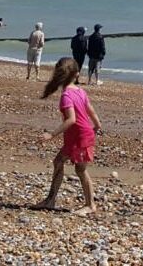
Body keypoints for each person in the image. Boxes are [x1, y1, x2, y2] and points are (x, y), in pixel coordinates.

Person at [34, 57, 102, 215]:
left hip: (80, 136)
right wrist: (97, 124)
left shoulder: (66, 96)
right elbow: (90, 110)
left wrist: (51, 134)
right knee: (58, 161)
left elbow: (72, 119)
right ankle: (50, 200)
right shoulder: (80, 91)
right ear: (76, 75)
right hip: (77, 136)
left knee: (80, 169)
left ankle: (90, 205)